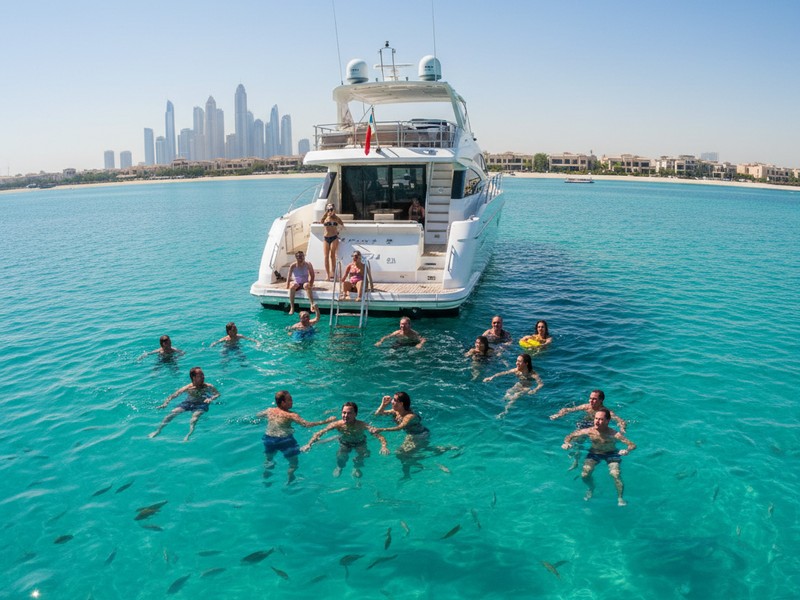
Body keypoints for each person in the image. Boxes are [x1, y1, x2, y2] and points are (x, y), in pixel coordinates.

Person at [255, 390, 336, 484]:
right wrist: (327, 421)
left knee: (269, 459)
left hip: (269, 439)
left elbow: (258, 415)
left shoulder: (269, 410)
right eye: (289, 400)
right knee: (293, 463)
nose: (292, 401)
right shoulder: (291, 415)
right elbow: (307, 425)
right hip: (285, 440)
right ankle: (290, 477)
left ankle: (266, 474)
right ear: (283, 402)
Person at [561, 408, 636, 506]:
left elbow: (632, 445)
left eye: (601, 419)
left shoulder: (614, 434)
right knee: (585, 474)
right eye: (596, 418)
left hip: (611, 453)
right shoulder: (589, 431)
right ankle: (591, 488)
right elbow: (569, 436)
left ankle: (620, 497)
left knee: (615, 474)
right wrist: (566, 443)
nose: (597, 421)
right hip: (594, 453)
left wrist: (626, 450)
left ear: (607, 421)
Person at [301, 402, 389, 478]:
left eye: (349, 413)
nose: (346, 416)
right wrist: (309, 444)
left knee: (364, 455)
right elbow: (320, 432)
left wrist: (384, 446)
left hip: (360, 443)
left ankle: (356, 468)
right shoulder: (337, 424)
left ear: (355, 414)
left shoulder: (362, 425)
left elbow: (379, 435)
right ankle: (339, 467)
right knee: (341, 456)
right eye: (344, 413)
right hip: (345, 443)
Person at [149, 367, 219, 441]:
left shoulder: (208, 386)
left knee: (194, 417)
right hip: (188, 403)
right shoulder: (188, 388)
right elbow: (173, 395)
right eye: (200, 375)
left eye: (203, 375)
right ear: (194, 377)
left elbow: (217, 394)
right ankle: (158, 430)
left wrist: (211, 398)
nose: (203, 377)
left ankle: (188, 435)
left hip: (201, 404)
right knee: (172, 413)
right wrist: (165, 403)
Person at [373, 391, 433, 479]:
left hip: (420, 435)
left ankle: (414, 469)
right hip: (411, 434)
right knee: (401, 454)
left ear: (401, 404)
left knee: (402, 453)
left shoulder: (409, 416)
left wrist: (382, 429)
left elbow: (399, 427)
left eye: (394, 400)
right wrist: (383, 404)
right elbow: (377, 414)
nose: (392, 401)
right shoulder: (396, 411)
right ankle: (410, 471)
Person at [483, 353, 543, 418]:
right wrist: (492, 377)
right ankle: (500, 406)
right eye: (517, 361)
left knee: (516, 395)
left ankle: (505, 411)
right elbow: (504, 373)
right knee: (508, 392)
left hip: (527, 387)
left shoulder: (532, 374)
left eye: (519, 361)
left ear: (526, 363)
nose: (517, 363)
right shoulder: (517, 370)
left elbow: (541, 384)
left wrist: (535, 390)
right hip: (519, 384)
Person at [550, 389, 627, 433]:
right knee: (577, 437)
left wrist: (622, 429)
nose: (590, 401)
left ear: (601, 400)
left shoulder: (606, 411)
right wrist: (558, 414)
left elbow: (621, 421)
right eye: (590, 398)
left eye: (594, 399)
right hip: (585, 423)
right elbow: (567, 409)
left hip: (598, 427)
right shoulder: (586, 407)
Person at [320, 203, 344, 281]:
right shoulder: (325, 217)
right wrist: (326, 213)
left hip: (334, 237)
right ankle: (327, 275)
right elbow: (321, 222)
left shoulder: (336, 218)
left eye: (331, 209)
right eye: (328, 209)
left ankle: (333, 273)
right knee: (326, 257)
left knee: (332, 255)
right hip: (326, 238)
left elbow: (342, 225)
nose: (330, 211)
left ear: (334, 210)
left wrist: (338, 231)